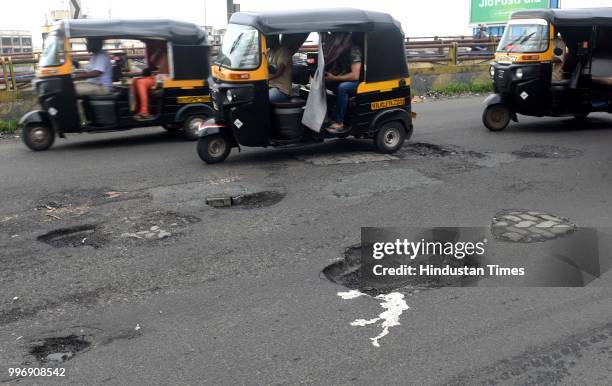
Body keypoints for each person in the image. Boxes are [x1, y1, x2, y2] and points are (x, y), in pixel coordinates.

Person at [323, 32, 362, 133]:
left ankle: (339, 122)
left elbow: (355, 76)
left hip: (360, 82)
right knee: (325, 83)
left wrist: (334, 78)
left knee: (343, 88)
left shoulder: (354, 50)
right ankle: (328, 115)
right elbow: (338, 68)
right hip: (347, 78)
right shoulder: (341, 51)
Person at [131, 44, 169, 119]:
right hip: (158, 77)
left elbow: (164, 69)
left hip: (165, 78)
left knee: (141, 82)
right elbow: (153, 60)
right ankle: (138, 109)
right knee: (135, 80)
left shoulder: (167, 55)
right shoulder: (161, 54)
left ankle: (144, 111)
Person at [267, 35, 293, 103]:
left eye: (267, 39)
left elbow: (278, 72)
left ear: (273, 38)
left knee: (263, 98)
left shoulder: (284, 51)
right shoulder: (269, 52)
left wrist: (264, 79)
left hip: (281, 89)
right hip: (270, 86)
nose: (266, 41)